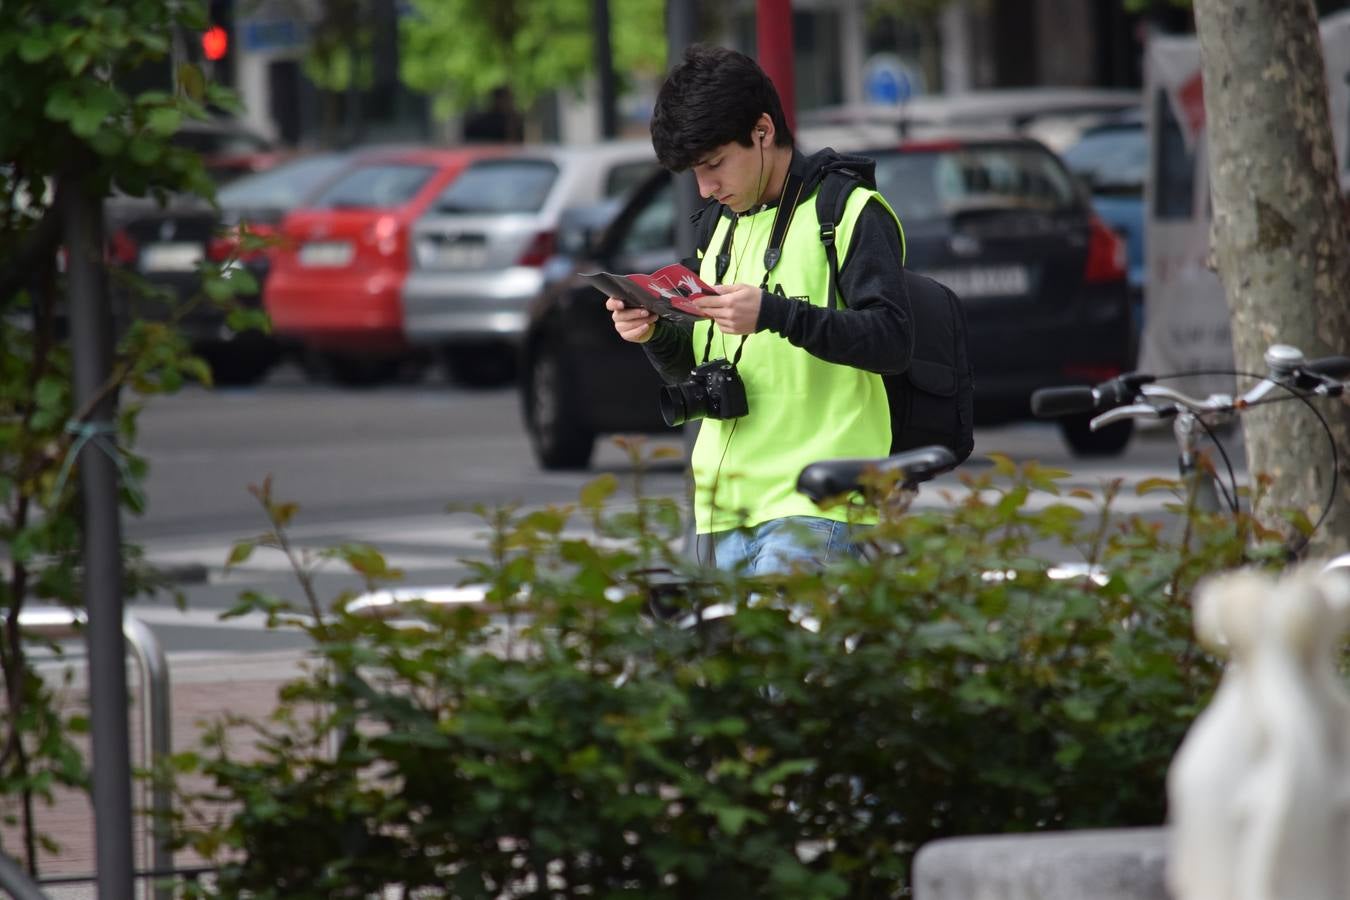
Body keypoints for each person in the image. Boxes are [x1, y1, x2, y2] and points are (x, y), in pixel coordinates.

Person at [607, 45, 913, 575]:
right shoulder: (719, 225)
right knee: (720, 658)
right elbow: (697, 368)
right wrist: (653, 333)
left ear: (763, 131)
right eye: (695, 174)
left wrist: (776, 314)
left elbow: (892, 342)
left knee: (779, 656)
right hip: (722, 511)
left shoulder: (846, 210)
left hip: (820, 501)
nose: (706, 187)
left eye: (715, 165)